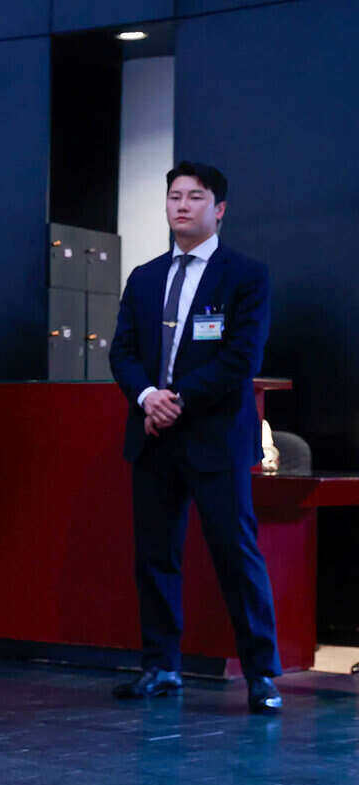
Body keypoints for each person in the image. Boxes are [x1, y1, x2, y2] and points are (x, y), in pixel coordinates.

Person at [109, 161, 283, 715]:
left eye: (195, 197)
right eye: (174, 197)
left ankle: (261, 674)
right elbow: (122, 353)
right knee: (155, 558)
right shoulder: (145, 277)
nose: (181, 206)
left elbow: (240, 359)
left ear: (219, 209)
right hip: (153, 437)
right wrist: (147, 397)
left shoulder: (246, 276)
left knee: (236, 556)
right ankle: (161, 666)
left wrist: (176, 400)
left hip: (214, 438)